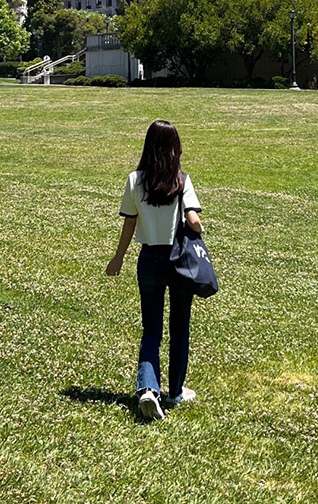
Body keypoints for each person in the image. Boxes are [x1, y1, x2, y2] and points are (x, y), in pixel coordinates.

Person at [106, 119, 204, 420]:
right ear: (175, 148)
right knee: (179, 327)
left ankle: (148, 388)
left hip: (148, 258)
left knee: (151, 329)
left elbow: (129, 222)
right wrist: (199, 229)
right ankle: (174, 391)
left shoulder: (135, 180)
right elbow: (193, 220)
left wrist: (118, 258)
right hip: (177, 261)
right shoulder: (181, 180)